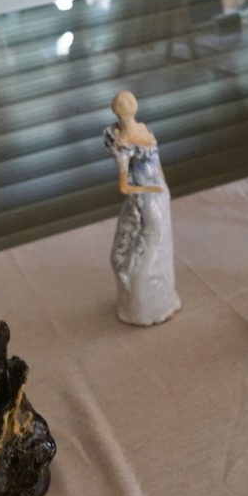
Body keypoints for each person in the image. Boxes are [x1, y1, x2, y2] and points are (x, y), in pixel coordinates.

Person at [103, 91, 181, 326]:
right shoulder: (122, 141)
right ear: (119, 110)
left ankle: (162, 301)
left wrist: (163, 188)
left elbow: (157, 164)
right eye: (125, 102)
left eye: (129, 100)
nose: (130, 103)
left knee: (159, 247)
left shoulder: (143, 129)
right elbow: (124, 186)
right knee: (145, 249)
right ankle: (143, 306)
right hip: (146, 200)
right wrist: (153, 190)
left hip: (158, 195)